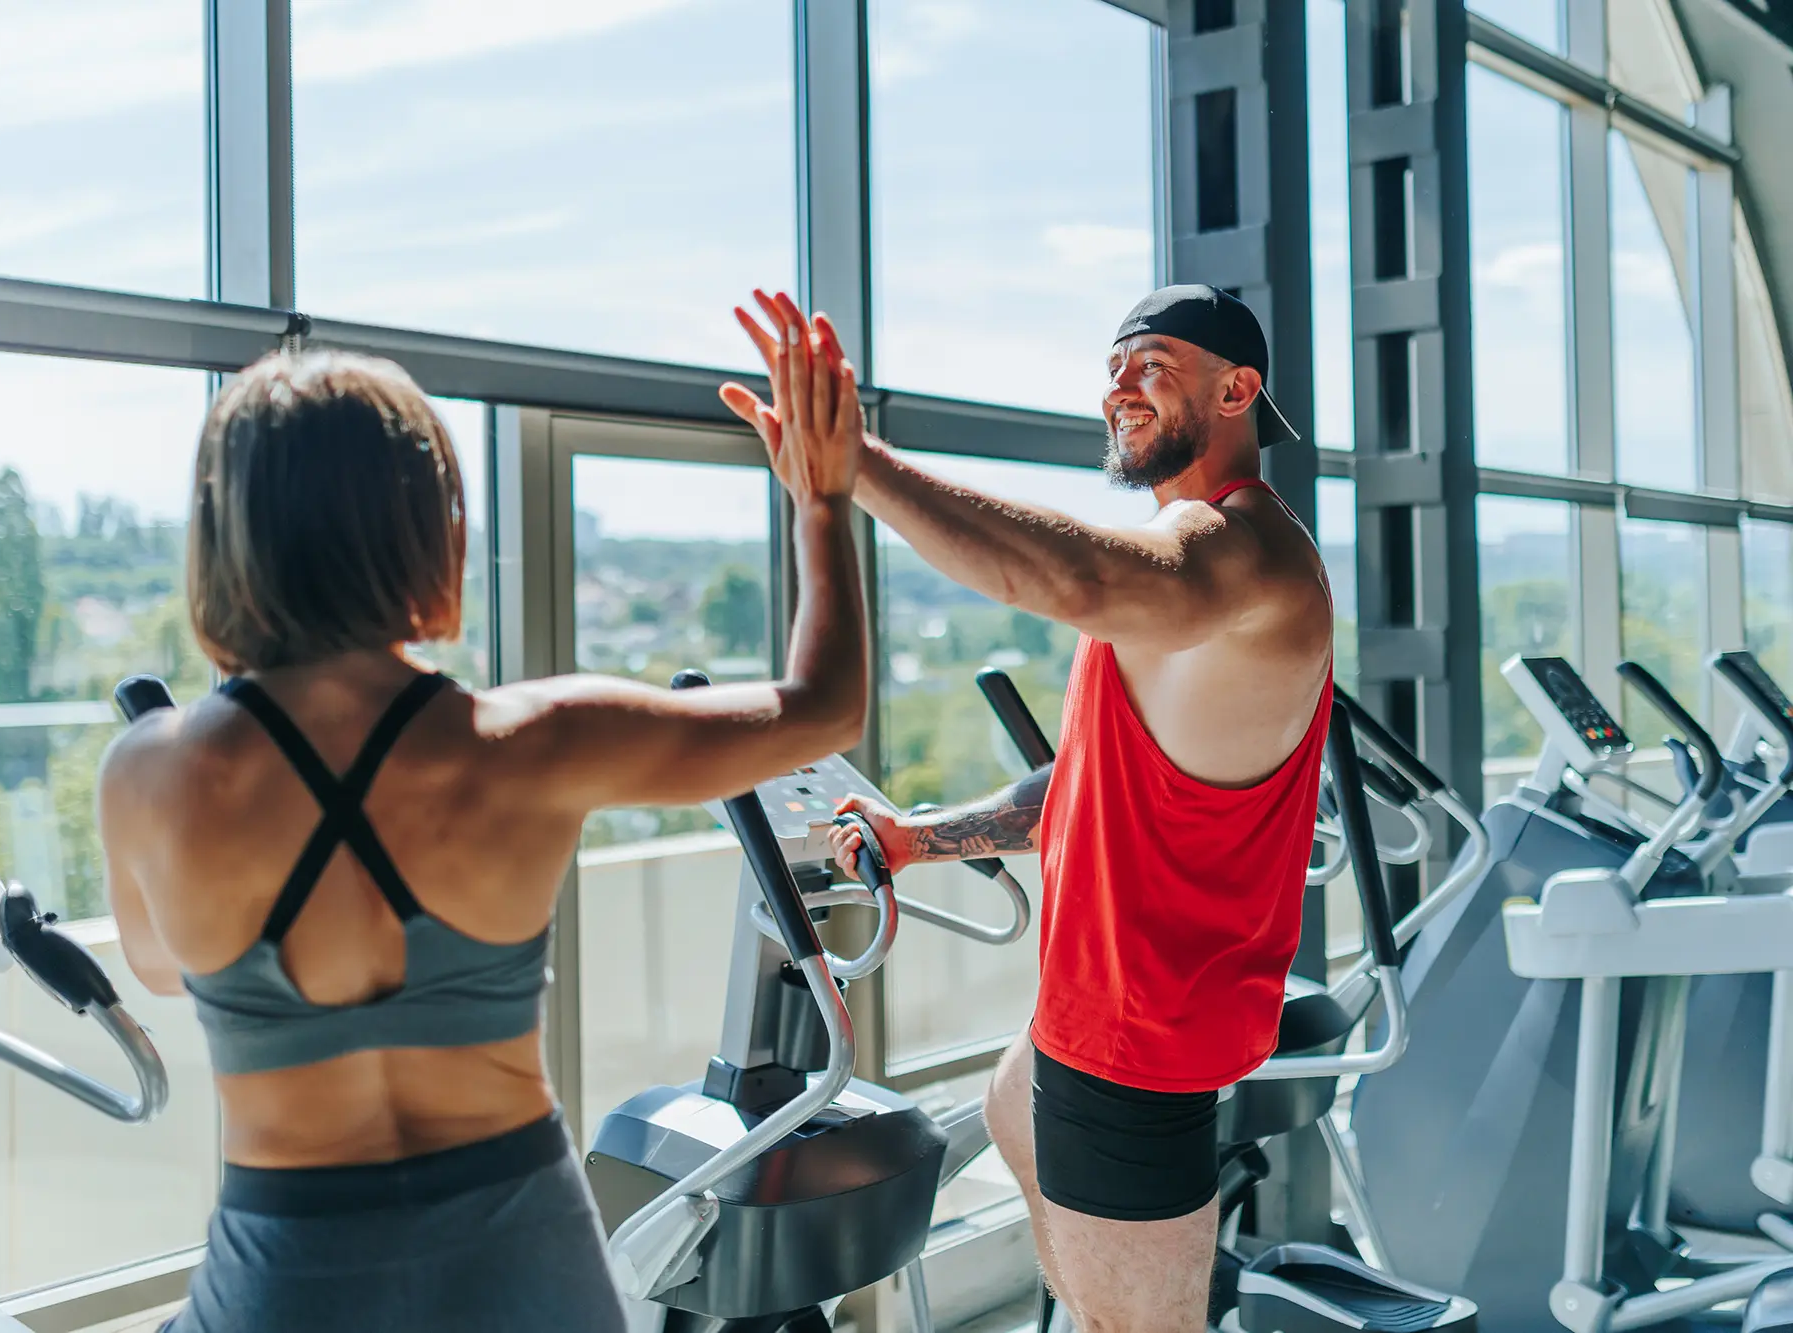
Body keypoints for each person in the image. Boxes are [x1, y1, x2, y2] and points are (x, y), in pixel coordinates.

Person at [97, 292, 867, 1333]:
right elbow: (824, 706)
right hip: (524, 1267)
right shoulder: (535, 739)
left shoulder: (148, 772)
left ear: (224, 533)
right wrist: (820, 501)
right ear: (426, 527)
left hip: (290, 1275)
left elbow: (157, 969)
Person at [789, 285, 1335, 1333]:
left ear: (1237, 389)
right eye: (1111, 366)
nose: (1117, 387)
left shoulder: (1239, 557)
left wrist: (855, 468)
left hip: (1138, 1044)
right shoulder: (1186, 580)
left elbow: (1074, 574)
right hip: (1099, 1023)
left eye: (1151, 364)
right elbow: (1083, 778)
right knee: (1009, 1100)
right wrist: (919, 839)